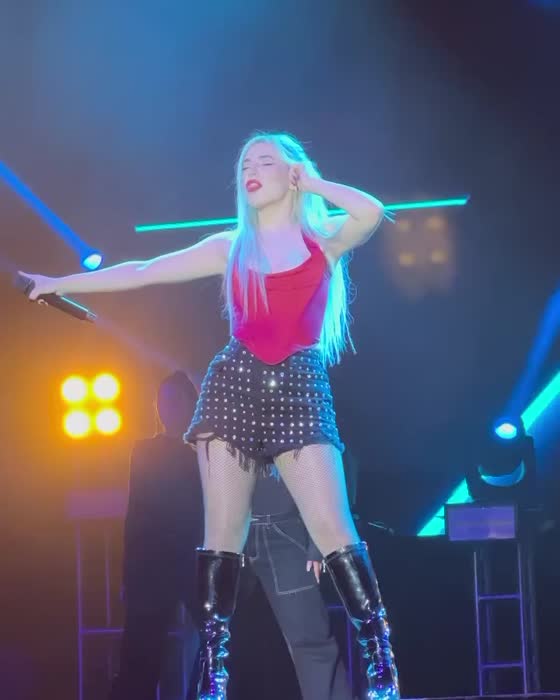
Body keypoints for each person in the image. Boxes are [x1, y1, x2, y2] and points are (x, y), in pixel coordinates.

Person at [21, 131, 400, 700]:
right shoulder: (231, 246)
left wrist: (313, 182)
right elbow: (144, 270)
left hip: (300, 389)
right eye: (245, 163)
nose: (251, 169)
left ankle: (382, 666)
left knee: (334, 529)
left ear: (293, 173)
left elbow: (370, 211)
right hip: (233, 389)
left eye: (267, 161)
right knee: (222, 535)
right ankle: (214, 674)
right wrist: (57, 283)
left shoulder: (322, 240)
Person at [110, 371, 203, 700]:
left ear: (191, 404)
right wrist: (129, 574)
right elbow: (135, 515)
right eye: (162, 401)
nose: (167, 408)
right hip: (152, 563)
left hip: (194, 559)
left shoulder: (205, 450)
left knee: (219, 640)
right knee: (140, 654)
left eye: (174, 400)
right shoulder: (145, 451)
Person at [234, 466, 353, 700]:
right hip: (231, 533)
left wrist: (317, 543)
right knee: (226, 640)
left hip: (282, 533)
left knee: (311, 641)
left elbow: (325, 463)